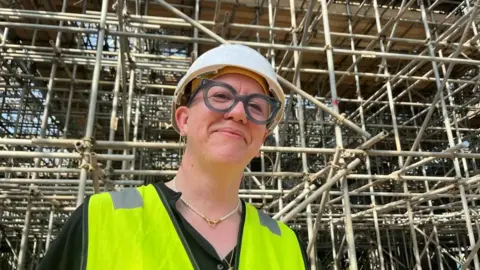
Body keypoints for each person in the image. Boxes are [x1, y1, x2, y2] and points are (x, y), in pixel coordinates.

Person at [38, 44, 310, 270]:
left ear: (262, 139)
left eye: (256, 106)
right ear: (184, 119)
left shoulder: (286, 245)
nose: (239, 113)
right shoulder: (101, 217)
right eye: (220, 96)